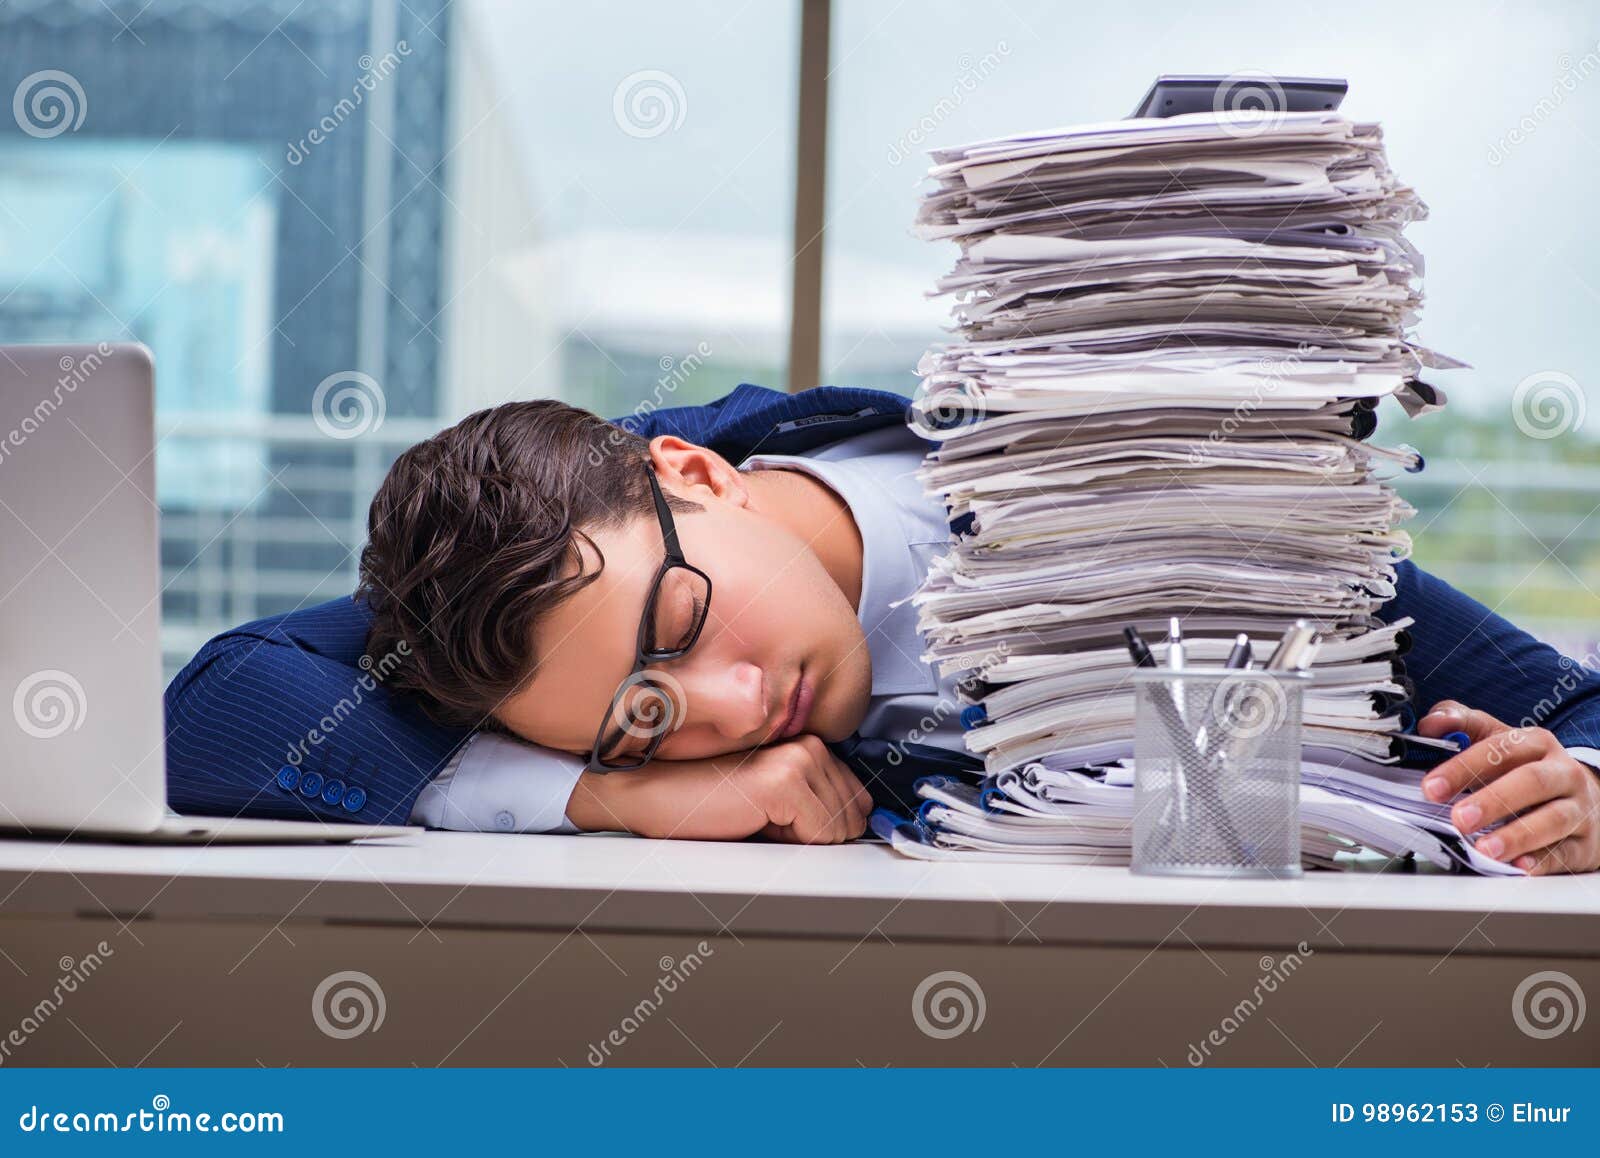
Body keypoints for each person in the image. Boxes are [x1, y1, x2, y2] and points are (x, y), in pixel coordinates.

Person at [164, 384, 1600, 874]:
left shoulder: (1103, 487)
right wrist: (610, 796)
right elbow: (213, 707)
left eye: (685, 622)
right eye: (645, 715)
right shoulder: (524, 598)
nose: (726, 704)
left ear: (691, 468)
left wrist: (1580, 789)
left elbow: (1571, 707)